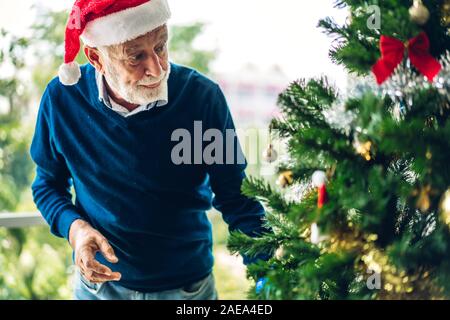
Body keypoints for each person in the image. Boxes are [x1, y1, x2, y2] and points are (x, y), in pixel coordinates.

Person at [30, 0, 272, 300]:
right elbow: (47, 185)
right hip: (98, 290)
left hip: (188, 291)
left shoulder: (201, 98)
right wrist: (75, 229)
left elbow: (237, 199)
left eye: (161, 47)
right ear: (95, 58)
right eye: (136, 57)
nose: (157, 69)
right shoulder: (61, 99)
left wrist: (271, 275)